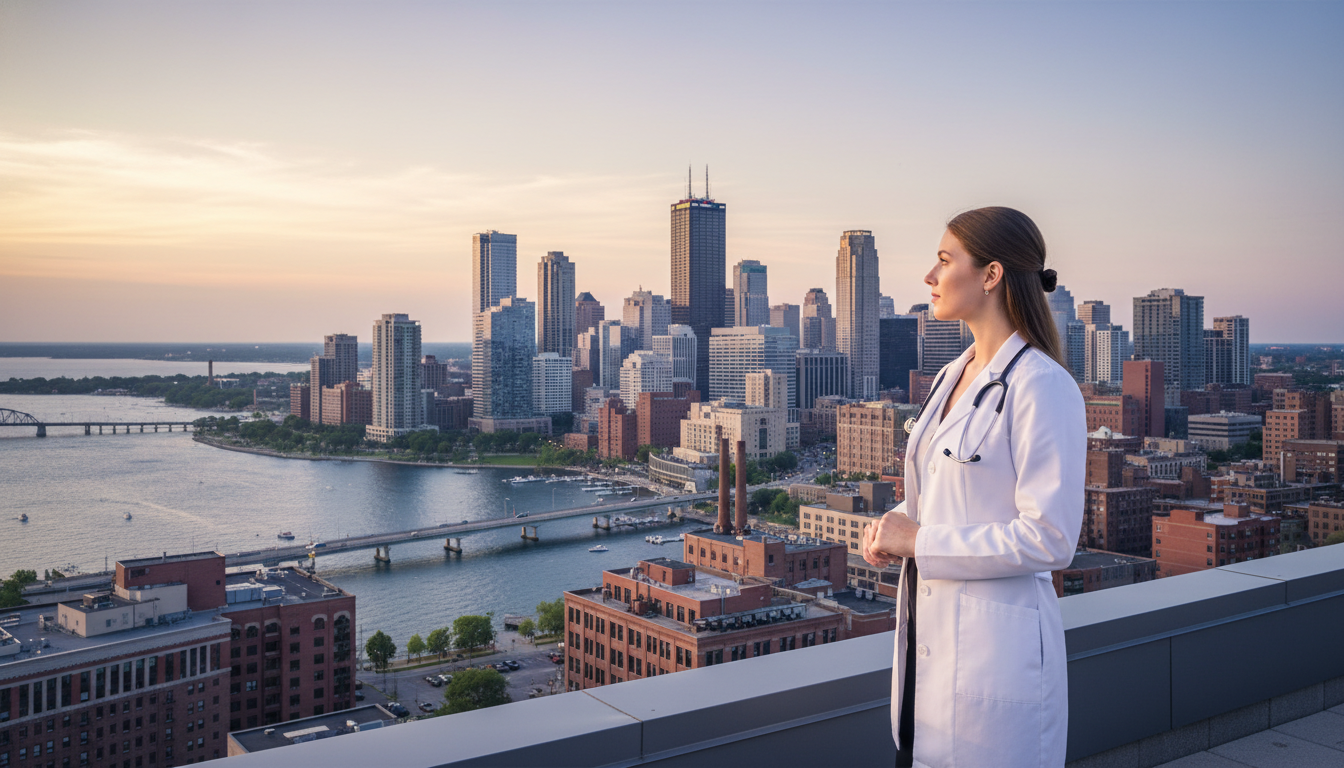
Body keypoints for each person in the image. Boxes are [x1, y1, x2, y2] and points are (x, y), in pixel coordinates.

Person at [863, 207, 1085, 768]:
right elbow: (939, 496)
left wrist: (920, 543)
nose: (929, 277)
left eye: (943, 260)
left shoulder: (1043, 386)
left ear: (991, 275)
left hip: (996, 669)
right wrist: (892, 530)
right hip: (924, 663)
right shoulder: (949, 376)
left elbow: (1051, 539)